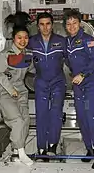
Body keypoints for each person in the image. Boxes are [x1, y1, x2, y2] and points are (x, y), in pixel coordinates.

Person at [63, 9, 94, 169]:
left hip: (90, 82)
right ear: (65, 26)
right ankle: (90, 149)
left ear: (80, 23)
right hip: (78, 84)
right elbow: (67, 60)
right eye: (68, 24)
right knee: (82, 116)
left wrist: (82, 73)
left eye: (74, 23)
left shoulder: (88, 39)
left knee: (93, 116)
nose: (72, 26)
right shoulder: (67, 42)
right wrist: (74, 75)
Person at [28, 12, 66, 159]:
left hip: (58, 81)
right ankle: (41, 147)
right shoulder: (31, 41)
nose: (45, 27)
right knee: (41, 113)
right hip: (41, 81)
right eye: (42, 24)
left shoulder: (61, 41)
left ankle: (53, 145)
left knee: (56, 113)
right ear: (38, 26)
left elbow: (72, 60)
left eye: (48, 24)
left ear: (52, 25)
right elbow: (18, 53)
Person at [0, 23, 34, 166]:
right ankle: (21, 152)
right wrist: (12, 90)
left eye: (25, 38)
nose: (23, 41)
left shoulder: (28, 55)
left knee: (25, 120)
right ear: (13, 39)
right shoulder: (4, 55)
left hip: (21, 92)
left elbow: (33, 70)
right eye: (19, 38)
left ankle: (16, 151)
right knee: (17, 120)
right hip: (6, 93)